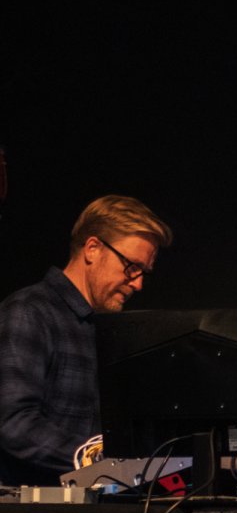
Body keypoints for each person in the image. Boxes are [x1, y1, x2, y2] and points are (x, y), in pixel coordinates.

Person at [0, 194, 173, 487]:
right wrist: (98, 458)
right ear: (92, 248)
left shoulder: (104, 329)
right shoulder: (28, 312)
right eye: (131, 267)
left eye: (144, 272)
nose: (139, 283)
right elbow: (13, 423)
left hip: (89, 511)